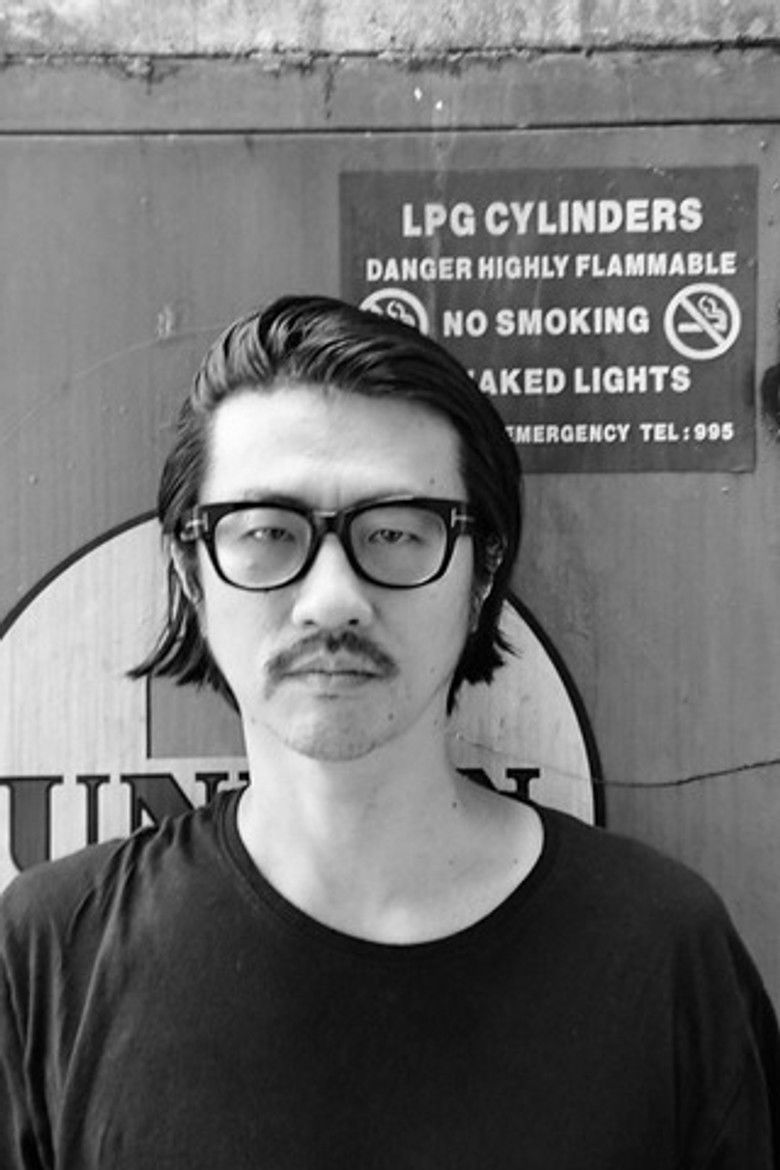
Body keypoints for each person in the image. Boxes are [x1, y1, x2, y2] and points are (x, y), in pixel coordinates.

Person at [0, 294, 777, 1169]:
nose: (333, 599)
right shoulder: (50, 954)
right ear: (191, 571)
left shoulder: (663, 952)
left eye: (398, 532)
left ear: (482, 572)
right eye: (267, 532)